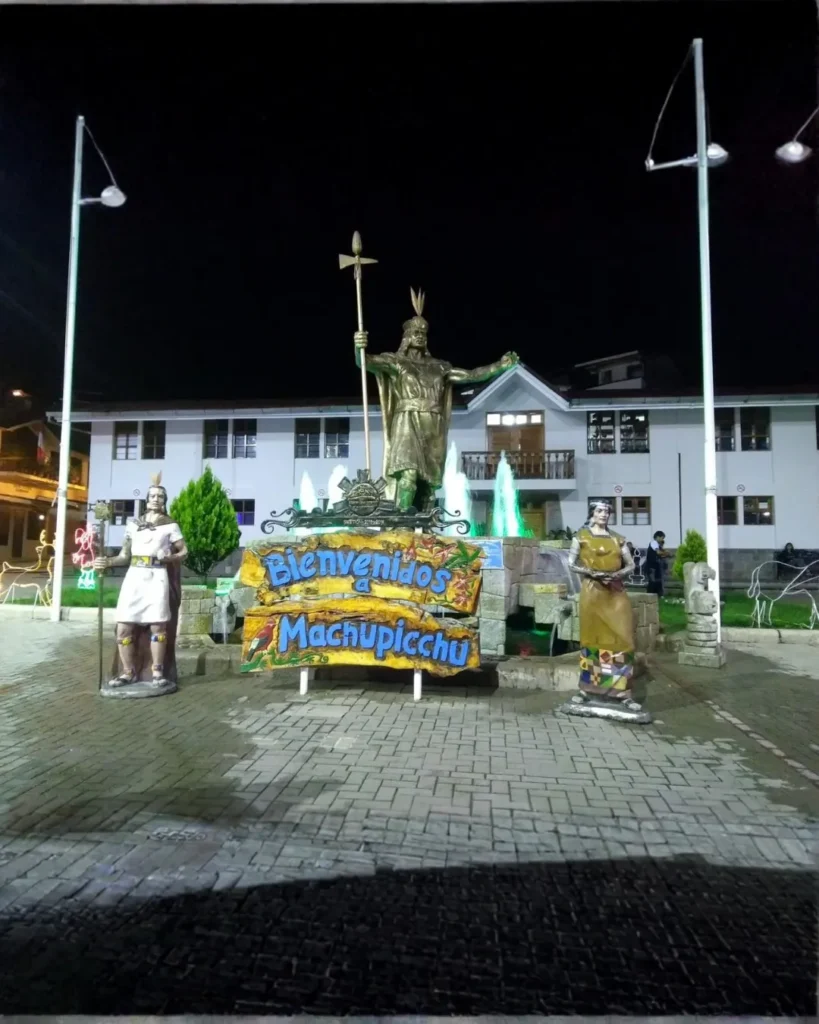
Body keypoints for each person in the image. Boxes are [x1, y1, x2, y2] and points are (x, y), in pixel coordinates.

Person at [355, 288, 518, 510]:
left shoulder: (439, 366)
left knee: (429, 483)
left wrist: (499, 366)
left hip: (433, 425)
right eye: (416, 333)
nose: (420, 336)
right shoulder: (396, 362)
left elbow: (471, 375)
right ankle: (401, 524)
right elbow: (367, 362)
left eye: (424, 333)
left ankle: (425, 525)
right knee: (408, 474)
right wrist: (359, 347)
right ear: (407, 337)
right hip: (407, 420)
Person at [94, 473, 188, 690]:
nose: (156, 499)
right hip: (134, 577)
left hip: (157, 577)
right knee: (123, 627)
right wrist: (106, 561)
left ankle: (157, 672)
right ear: (146, 499)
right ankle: (128, 672)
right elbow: (124, 556)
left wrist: (171, 557)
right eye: (152, 496)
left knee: (158, 626)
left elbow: (184, 551)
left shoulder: (170, 525)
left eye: (160, 496)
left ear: (165, 501)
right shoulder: (133, 525)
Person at [566, 501, 645, 715]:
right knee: (592, 639)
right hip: (592, 592)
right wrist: (591, 572)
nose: (604, 515)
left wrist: (618, 574)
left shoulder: (617, 538)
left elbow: (631, 564)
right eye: (600, 511)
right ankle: (587, 689)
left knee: (624, 639)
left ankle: (622, 692)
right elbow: (570, 563)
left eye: (607, 511)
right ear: (592, 513)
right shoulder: (581, 536)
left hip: (616, 591)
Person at [645, 530, 668, 596]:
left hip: (656, 566)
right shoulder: (654, 543)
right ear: (657, 537)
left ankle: (657, 595)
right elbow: (658, 553)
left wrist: (666, 554)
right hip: (652, 567)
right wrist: (666, 553)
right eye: (662, 538)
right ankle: (650, 596)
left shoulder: (658, 545)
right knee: (652, 582)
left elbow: (661, 554)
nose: (662, 539)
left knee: (657, 581)